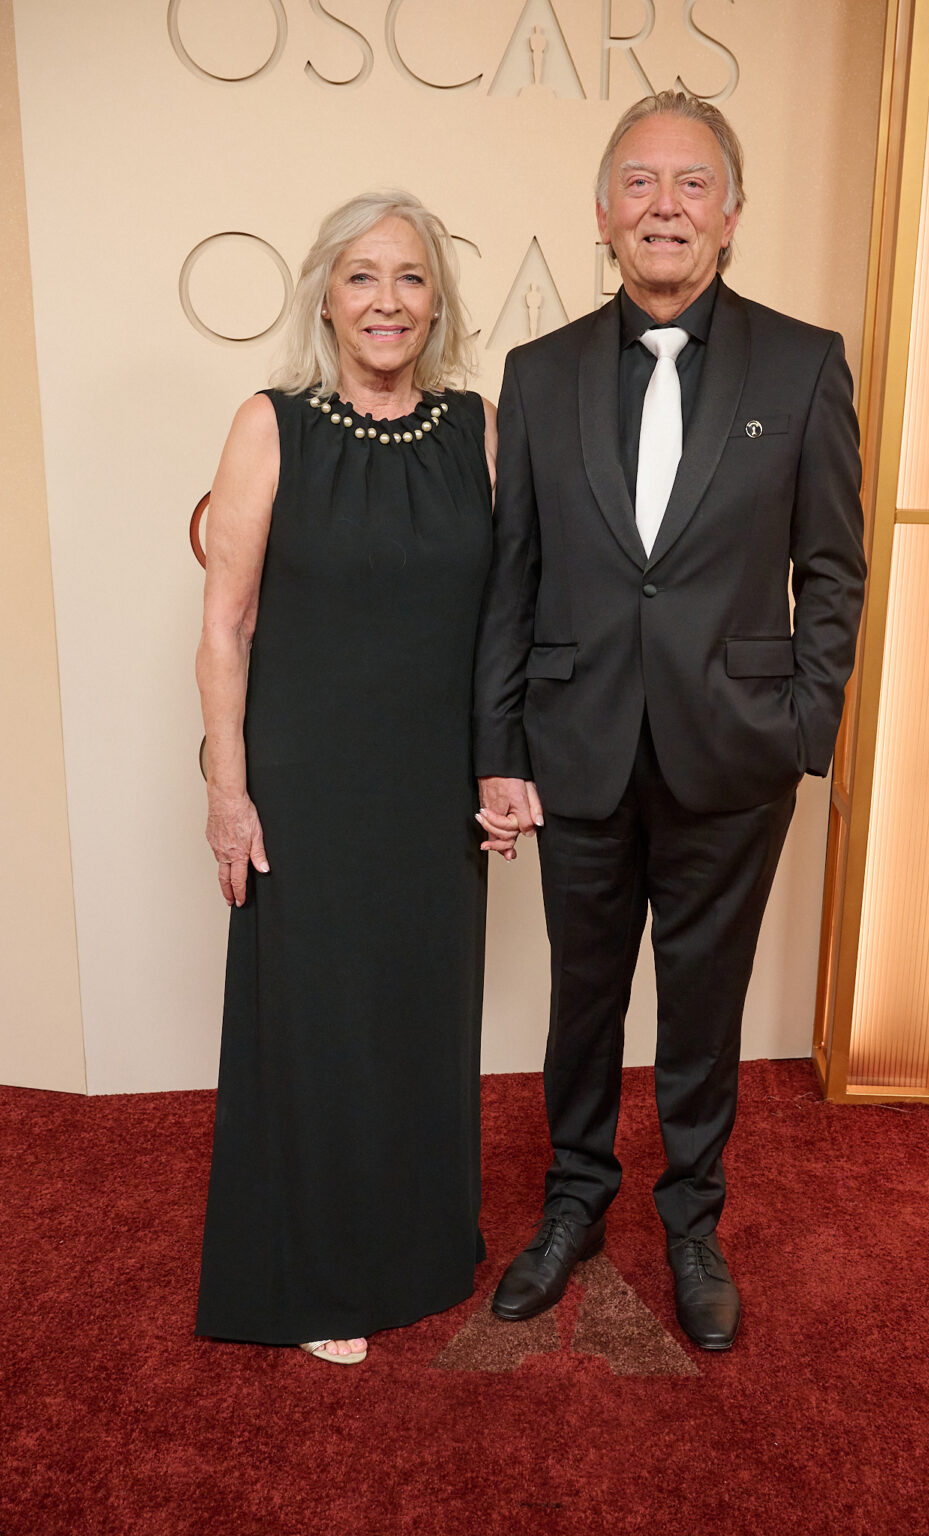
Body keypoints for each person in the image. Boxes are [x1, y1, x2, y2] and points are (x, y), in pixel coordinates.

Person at [473, 92, 866, 1351]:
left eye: (692, 184)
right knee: (582, 1002)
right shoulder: (536, 376)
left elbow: (834, 566)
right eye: (638, 183)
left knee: (705, 1007)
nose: (664, 206)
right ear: (601, 212)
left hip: (734, 753)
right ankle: (574, 1204)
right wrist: (499, 750)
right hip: (575, 747)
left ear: (731, 215)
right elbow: (512, 578)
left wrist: (804, 726)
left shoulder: (803, 363)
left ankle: (692, 1220)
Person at [195, 191, 508, 1364]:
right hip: (308, 783)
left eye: (411, 278)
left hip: (431, 789)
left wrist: (500, 765)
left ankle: (417, 1249)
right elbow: (224, 624)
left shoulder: (478, 428)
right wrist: (228, 787)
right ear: (325, 294)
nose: (387, 301)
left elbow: (505, 624)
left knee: (419, 1014)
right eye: (363, 277)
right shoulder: (270, 425)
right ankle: (319, 1275)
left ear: (438, 302)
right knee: (319, 1025)